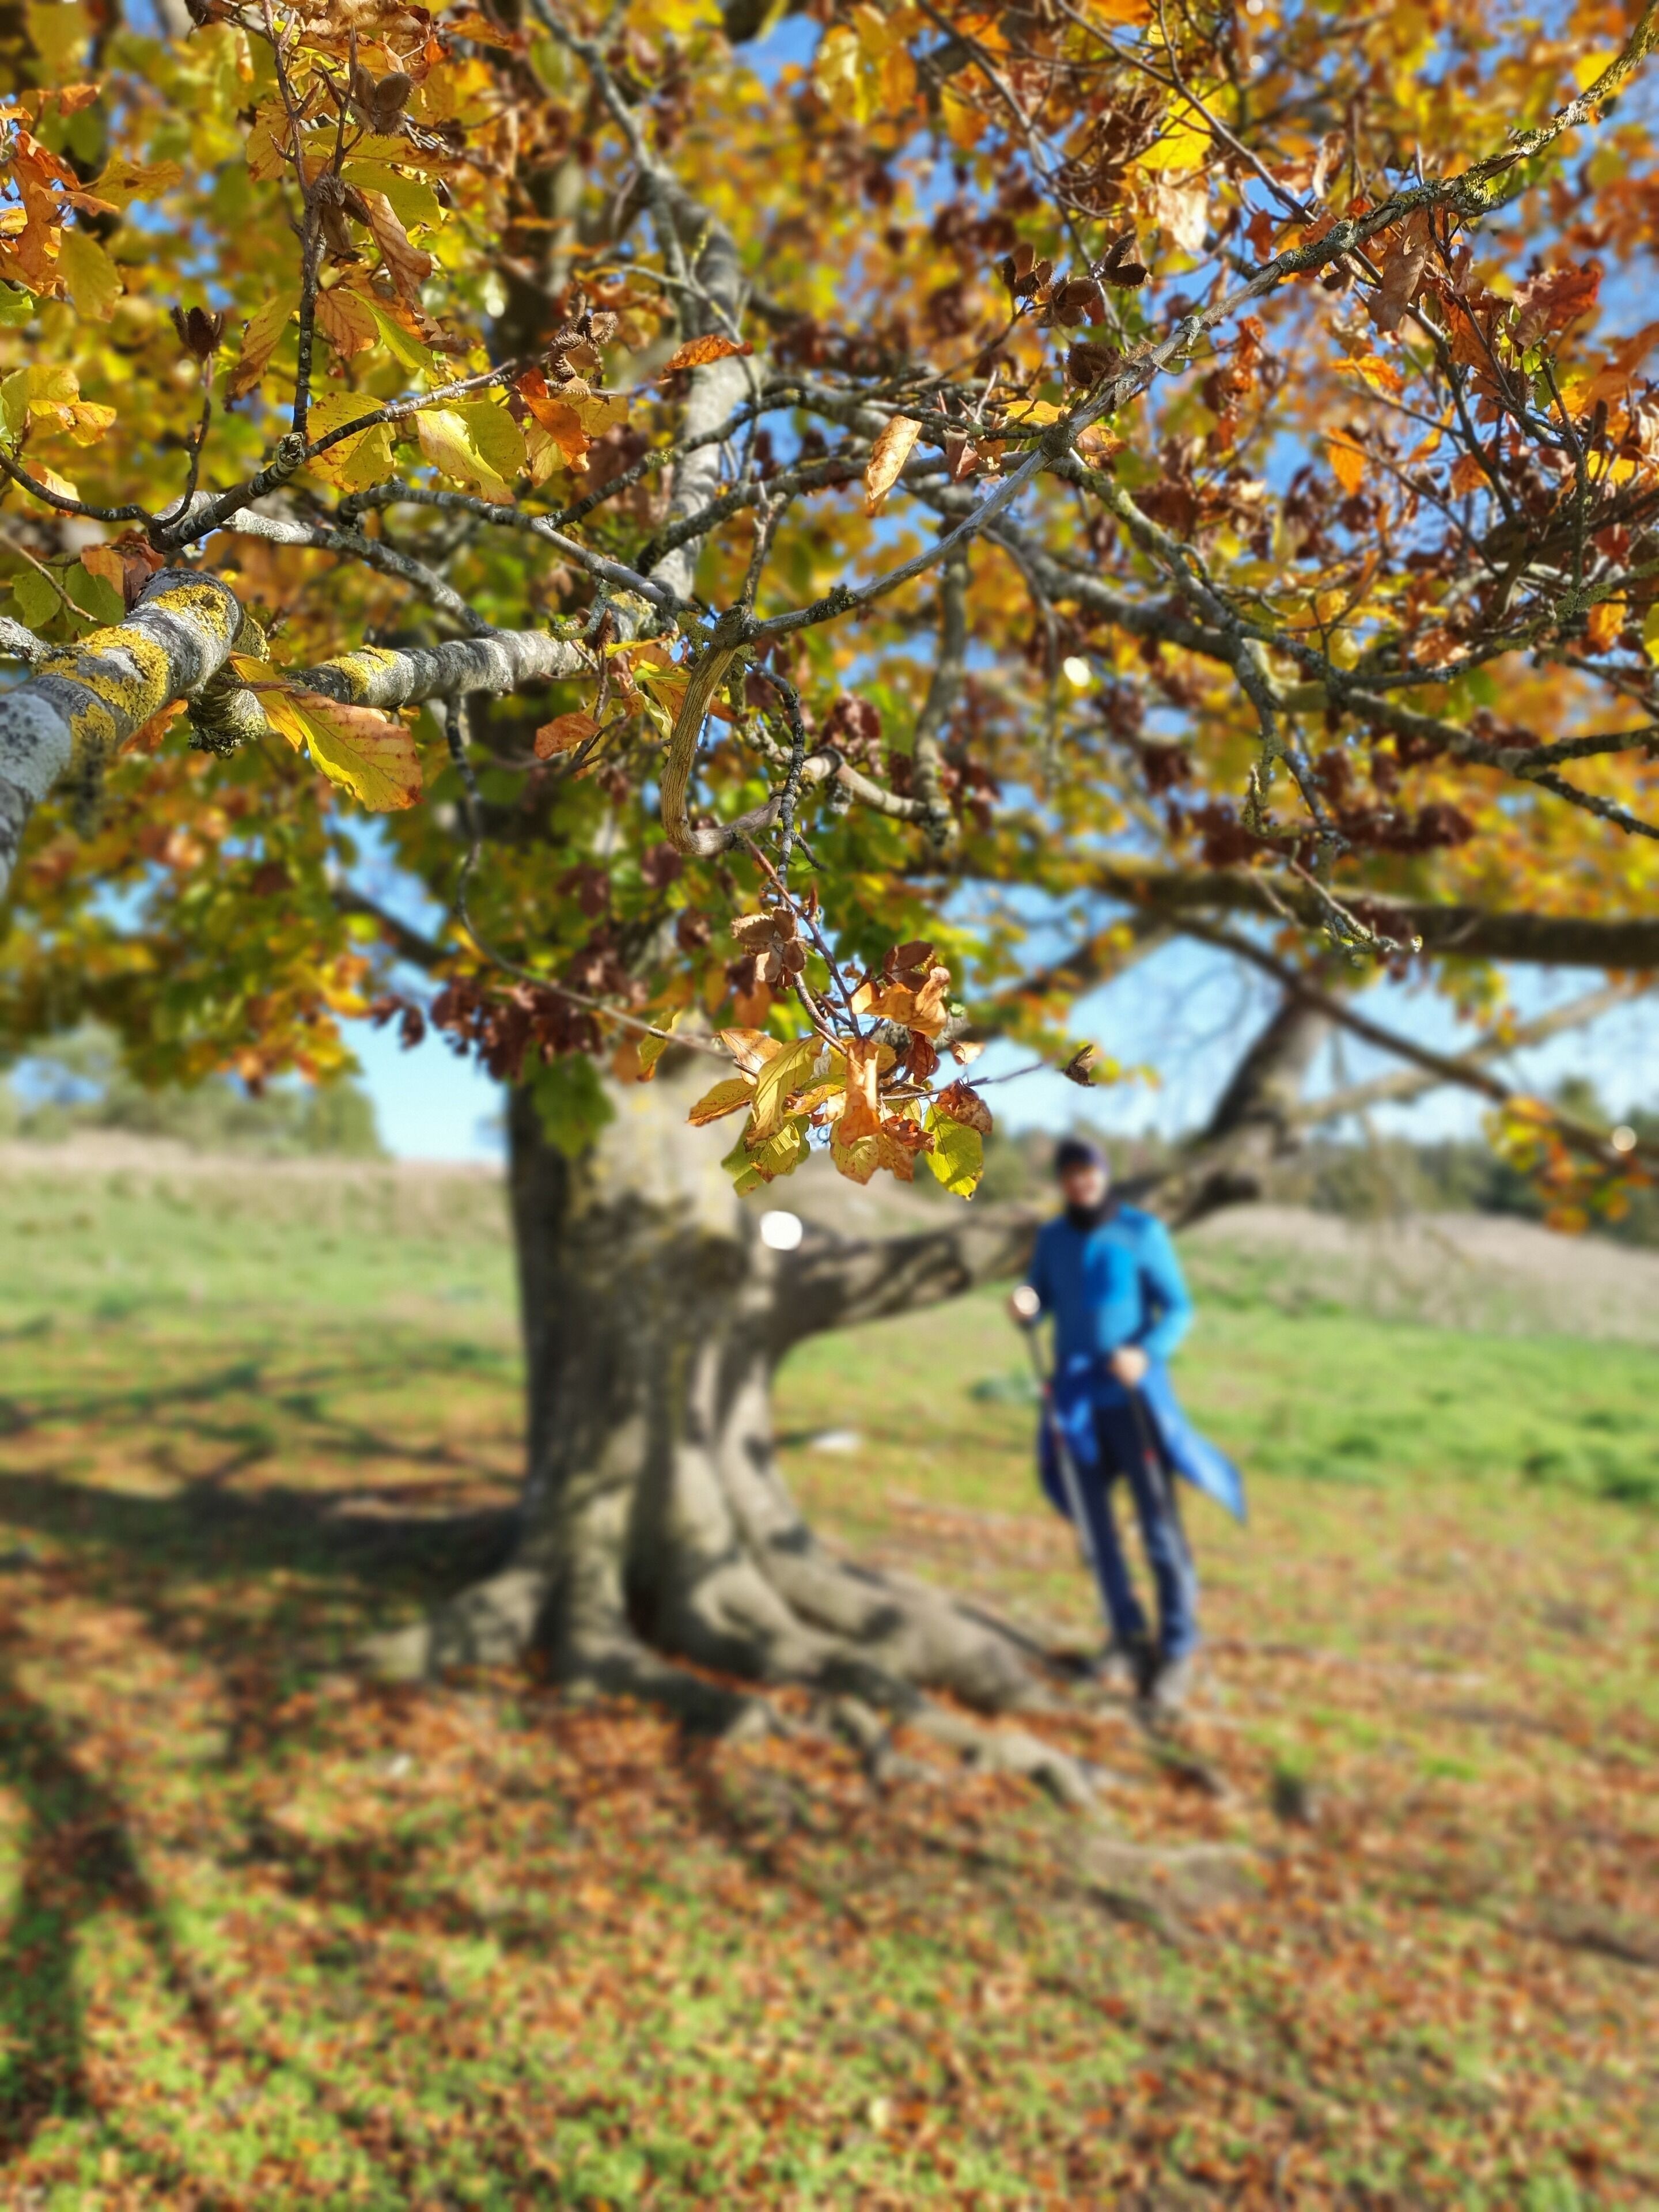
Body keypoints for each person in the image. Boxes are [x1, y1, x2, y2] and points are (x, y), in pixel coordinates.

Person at [1009, 1137, 1244, 1711]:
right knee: (1095, 1532)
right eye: (1070, 1174)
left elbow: (1179, 1309)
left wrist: (1146, 1352)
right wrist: (1025, 1305)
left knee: (1160, 1527)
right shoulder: (1052, 1237)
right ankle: (1126, 1639)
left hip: (1135, 1399)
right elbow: (1039, 1297)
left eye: (1088, 1171)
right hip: (1076, 1403)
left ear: (1104, 1174)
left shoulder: (1142, 1232)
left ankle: (1177, 1650)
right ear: (1062, 1182)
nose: (1081, 1182)